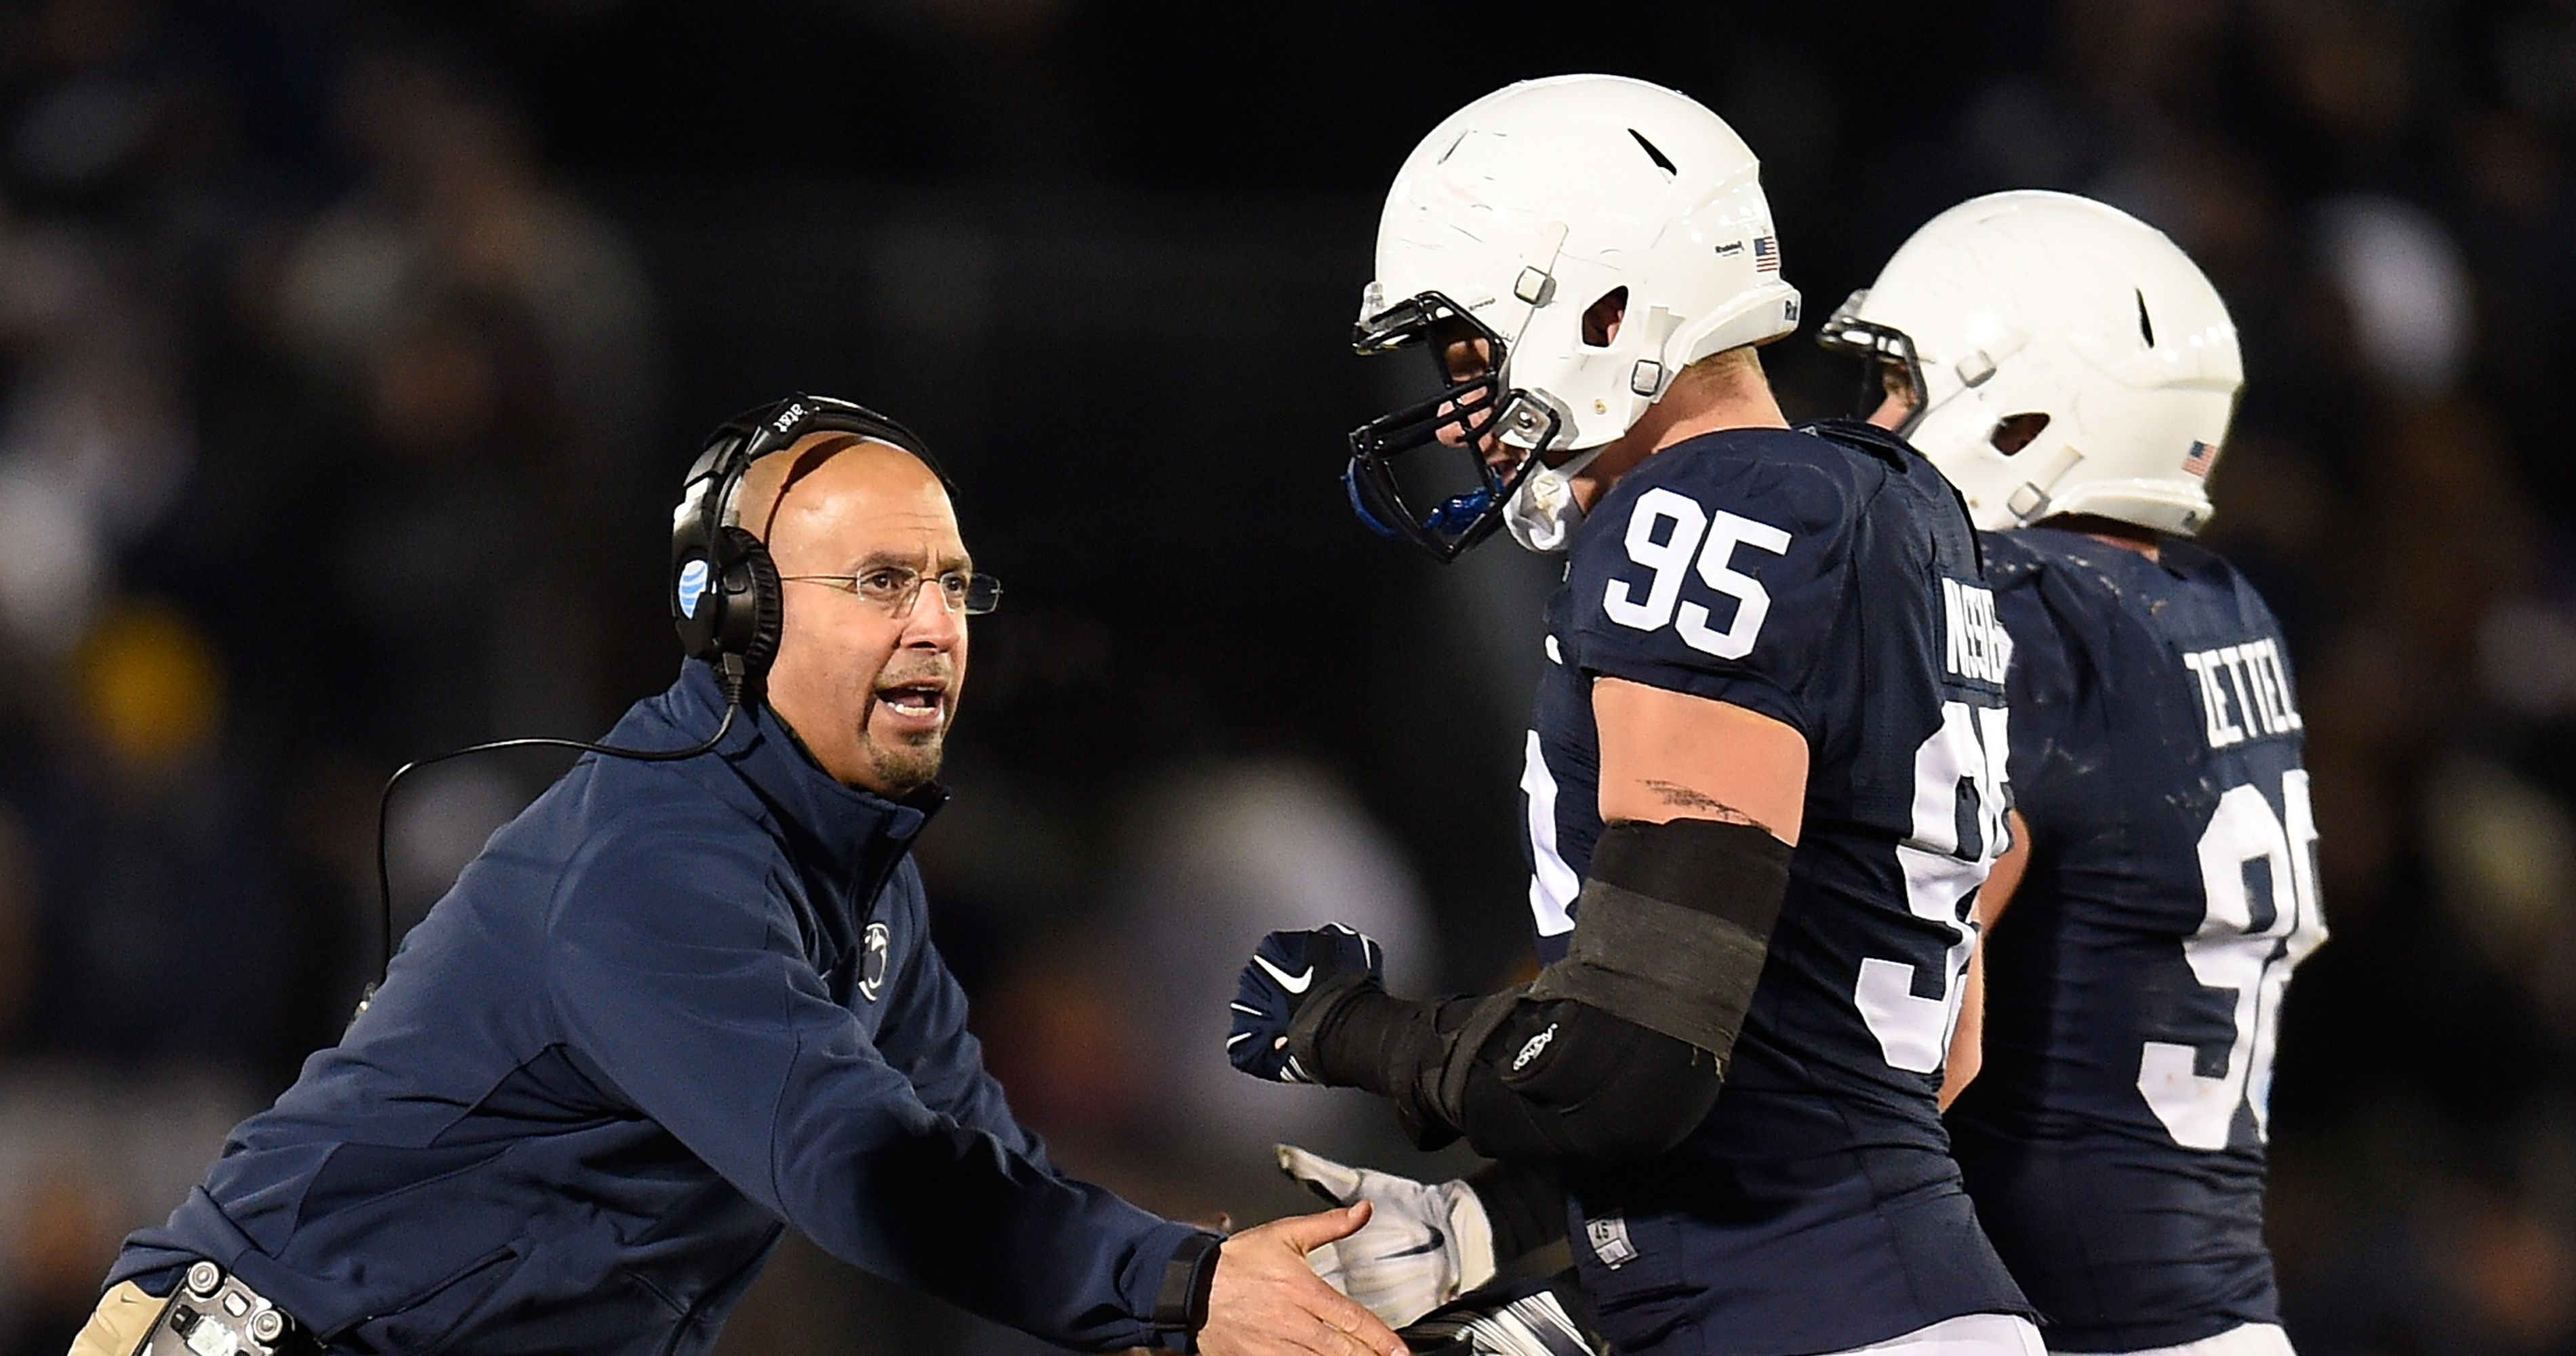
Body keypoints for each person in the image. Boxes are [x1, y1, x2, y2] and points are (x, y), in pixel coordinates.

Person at [67, 396, 1406, 1356]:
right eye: (882, 581)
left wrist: (1269, 1285)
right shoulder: (657, 855)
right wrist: (1179, 1284)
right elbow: (864, 1168)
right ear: (736, 612)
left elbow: (979, 1173)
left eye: (951, 585)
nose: (936, 624)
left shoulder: (863, 884)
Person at [1225, 76, 2041, 1355]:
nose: (1457, 411)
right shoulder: (1899, 510)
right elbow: (1872, 1053)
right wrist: (1490, 1228)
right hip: (1869, 1292)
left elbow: (1630, 1067)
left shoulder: (1700, 514)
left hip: (1812, 1313)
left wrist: (1352, 1032)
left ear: (1608, 310)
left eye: (1472, 353)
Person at [1822, 192, 2324, 1355]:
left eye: (1905, 388)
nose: (1879, 423)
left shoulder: (2023, 624)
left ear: (2028, 418)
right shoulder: (2220, 607)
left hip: (2069, 1326)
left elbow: (1900, 1035)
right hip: (2213, 1318)